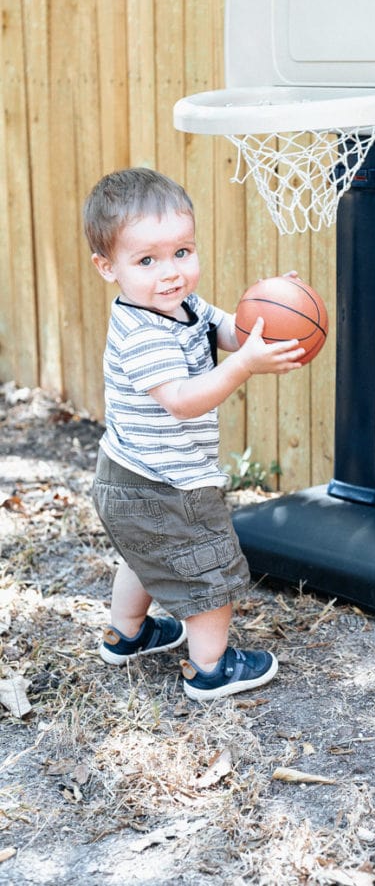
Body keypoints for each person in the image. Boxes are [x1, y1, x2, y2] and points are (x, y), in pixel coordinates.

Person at [83, 167, 304, 701]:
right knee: (209, 568)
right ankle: (210, 668)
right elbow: (182, 401)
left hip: (128, 476)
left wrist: (272, 311)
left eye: (182, 252)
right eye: (147, 260)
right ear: (107, 267)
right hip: (163, 482)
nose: (171, 273)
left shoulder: (179, 306)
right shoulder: (142, 331)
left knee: (146, 556)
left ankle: (127, 636)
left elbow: (224, 329)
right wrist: (243, 367)